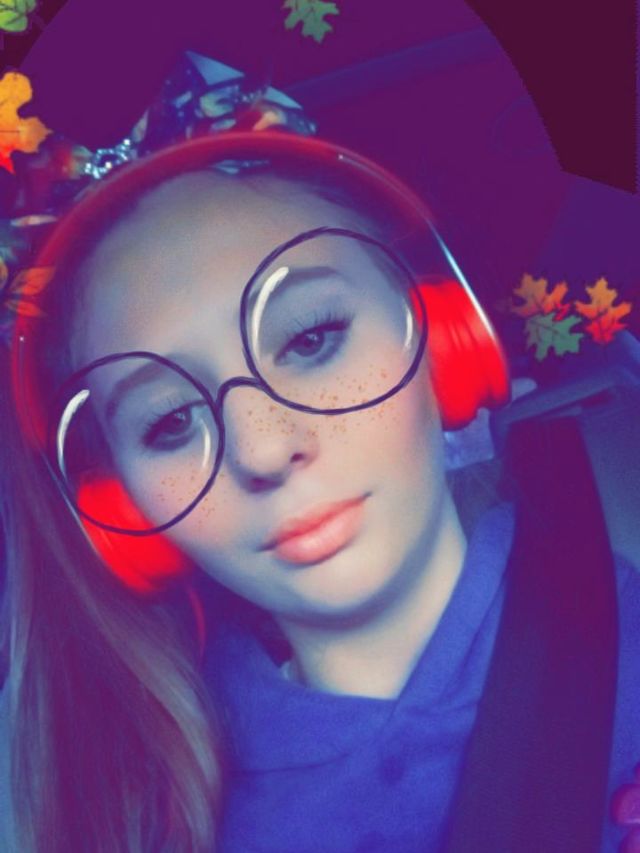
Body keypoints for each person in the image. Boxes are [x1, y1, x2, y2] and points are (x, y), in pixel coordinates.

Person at [1, 57, 639, 853]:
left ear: (446, 338)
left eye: (311, 338)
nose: (264, 447)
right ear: (118, 505)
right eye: (170, 422)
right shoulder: (142, 815)